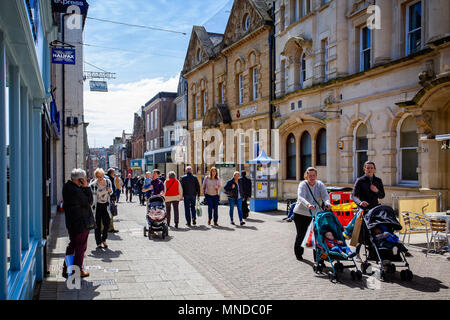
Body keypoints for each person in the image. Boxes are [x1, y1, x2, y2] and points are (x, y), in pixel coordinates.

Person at [343, 161, 385, 258]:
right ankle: (356, 252)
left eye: (371, 168)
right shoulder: (360, 180)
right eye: (368, 168)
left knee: (373, 230)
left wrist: (377, 191)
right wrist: (360, 202)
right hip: (363, 209)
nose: (369, 170)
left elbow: (382, 195)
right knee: (360, 231)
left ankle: (372, 252)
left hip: (374, 209)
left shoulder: (378, 180)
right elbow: (353, 195)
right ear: (364, 169)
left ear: (374, 169)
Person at [292, 167, 331, 261]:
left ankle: (317, 258)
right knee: (301, 234)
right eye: (310, 176)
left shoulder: (320, 184)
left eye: (314, 175)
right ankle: (299, 253)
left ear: (316, 176)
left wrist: (327, 203)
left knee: (316, 236)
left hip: (315, 214)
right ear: (306, 176)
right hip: (301, 213)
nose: (312, 177)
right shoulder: (303, 184)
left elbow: (325, 196)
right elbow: (301, 197)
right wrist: (308, 204)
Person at [62, 168, 94, 278]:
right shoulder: (76, 191)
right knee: (80, 246)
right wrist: (86, 187)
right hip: (81, 222)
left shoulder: (68, 187)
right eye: (83, 179)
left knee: (72, 245)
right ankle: (77, 270)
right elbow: (89, 201)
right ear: (80, 179)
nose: (85, 180)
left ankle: (67, 269)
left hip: (72, 222)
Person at [90, 168, 113, 249]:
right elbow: (90, 197)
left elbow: (111, 192)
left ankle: (104, 239)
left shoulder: (108, 182)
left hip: (106, 205)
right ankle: (98, 242)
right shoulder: (93, 185)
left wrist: (110, 191)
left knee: (107, 223)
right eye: (99, 177)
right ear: (96, 177)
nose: (101, 178)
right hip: (97, 207)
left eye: (102, 176)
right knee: (98, 225)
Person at [106, 168, 119, 233]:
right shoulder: (109, 179)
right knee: (110, 213)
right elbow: (112, 189)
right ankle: (110, 228)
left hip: (107, 198)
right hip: (109, 198)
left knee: (108, 213)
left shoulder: (107, 178)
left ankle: (107, 228)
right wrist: (113, 197)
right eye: (114, 172)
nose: (114, 174)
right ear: (111, 173)